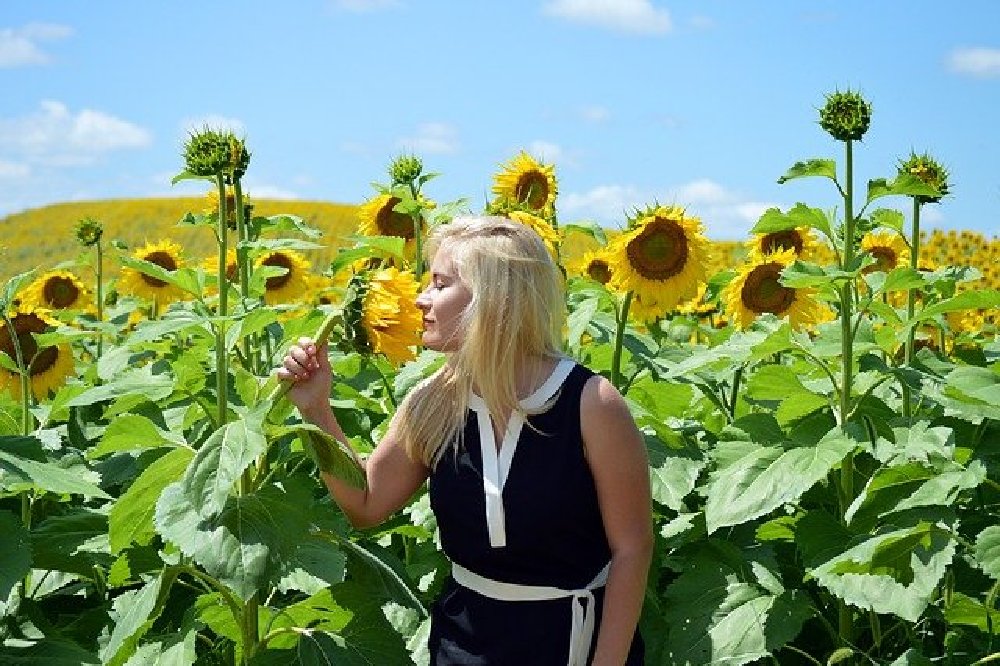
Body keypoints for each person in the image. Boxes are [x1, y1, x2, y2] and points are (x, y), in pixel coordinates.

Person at [277, 216, 652, 665]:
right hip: (462, 646)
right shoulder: (434, 401)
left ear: (495, 299)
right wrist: (316, 410)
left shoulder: (590, 404)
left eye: (440, 284)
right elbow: (365, 502)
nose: (420, 299)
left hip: (569, 643)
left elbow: (632, 547)